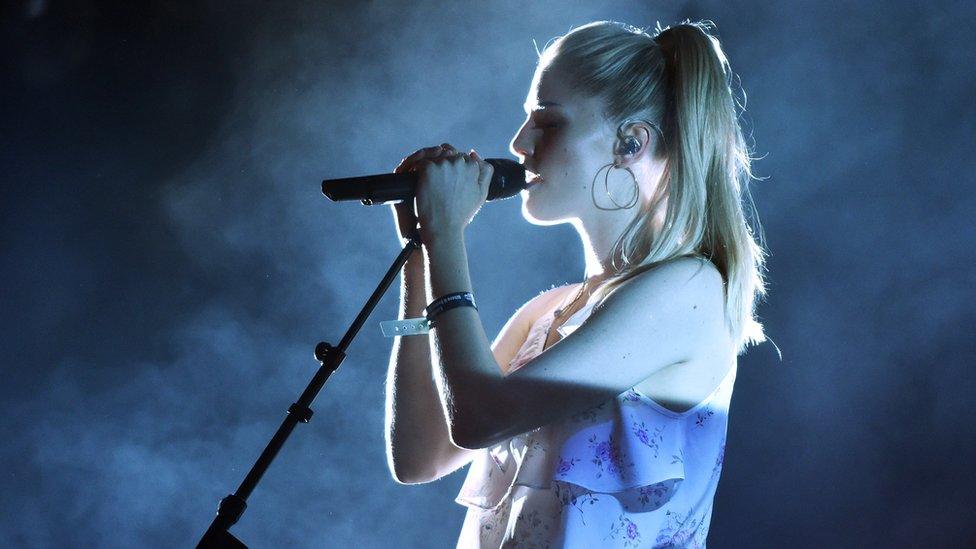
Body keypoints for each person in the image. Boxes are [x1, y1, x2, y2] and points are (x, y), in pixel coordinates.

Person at [384, 19, 769, 548]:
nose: (519, 145)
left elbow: (479, 418)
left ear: (630, 142)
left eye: (547, 122)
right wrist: (422, 257)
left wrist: (448, 237)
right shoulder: (547, 311)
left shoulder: (688, 288)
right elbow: (420, 456)